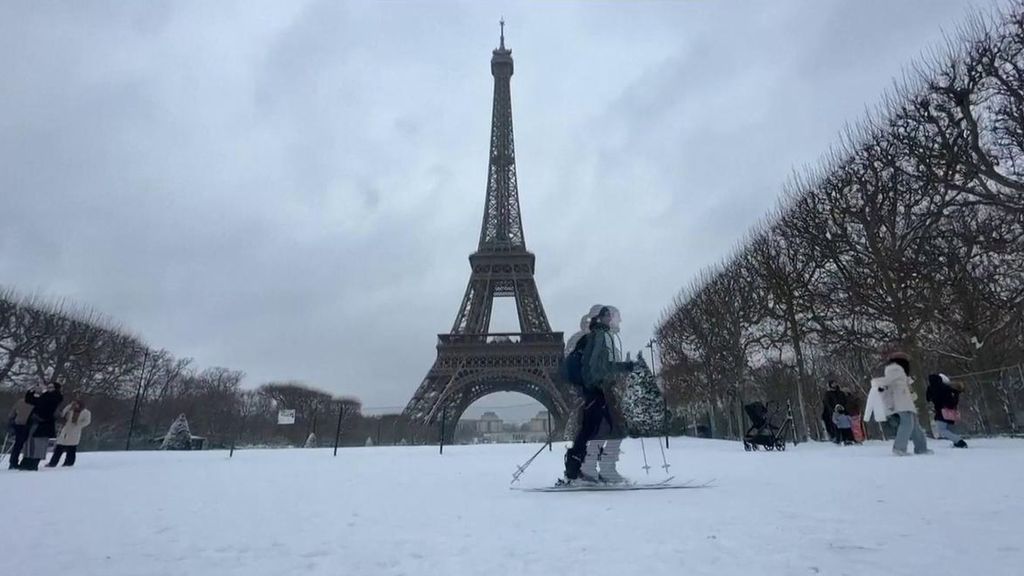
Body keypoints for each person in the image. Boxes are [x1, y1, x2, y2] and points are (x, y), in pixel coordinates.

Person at [561, 305, 634, 485]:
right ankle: (587, 470)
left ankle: (582, 469)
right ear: (605, 318)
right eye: (614, 316)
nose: (617, 320)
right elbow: (596, 366)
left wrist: (624, 367)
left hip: (594, 390)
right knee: (605, 428)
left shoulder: (596, 336)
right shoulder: (600, 337)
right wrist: (595, 385)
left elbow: (601, 365)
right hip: (596, 390)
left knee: (595, 429)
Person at [877, 353, 930, 456]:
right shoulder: (895, 369)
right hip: (901, 402)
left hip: (904, 402)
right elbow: (887, 382)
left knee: (915, 427)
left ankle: (921, 448)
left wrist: (909, 380)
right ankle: (899, 448)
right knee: (907, 424)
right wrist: (880, 385)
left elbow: (898, 382)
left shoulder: (899, 371)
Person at [19, 382, 64, 471]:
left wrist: (41, 392)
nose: (49, 389)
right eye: (48, 387)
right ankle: (26, 461)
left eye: (51, 387)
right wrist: (31, 391)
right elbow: (30, 400)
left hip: (44, 425)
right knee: (29, 443)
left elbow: (47, 402)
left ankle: (33, 463)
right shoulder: (45, 396)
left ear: (56, 389)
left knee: (39, 445)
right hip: (34, 422)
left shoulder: (57, 396)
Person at [926, 373, 967, 448]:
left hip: (940, 412)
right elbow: (954, 398)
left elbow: (928, 399)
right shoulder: (945, 387)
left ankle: (959, 442)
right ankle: (957, 441)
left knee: (942, 430)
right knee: (946, 429)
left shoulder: (931, 388)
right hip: (948, 411)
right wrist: (957, 394)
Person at [48, 399, 91, 467]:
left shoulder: (86, 412)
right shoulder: (70, 410)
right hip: (66, 430)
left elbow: (87, 421)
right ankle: (53, 463)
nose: (75, 405)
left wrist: (79, 424)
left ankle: (69, 463)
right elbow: (63, 414)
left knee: (71, 448)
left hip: (75, 431)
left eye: (77, 404)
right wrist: (68, 407)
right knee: (59, 448)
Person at [6, 397, 33, 470]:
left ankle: (13, 462)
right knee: (26, 444)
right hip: (28, 425)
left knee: (17, 444)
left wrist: (11, 421)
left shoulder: (20, 401)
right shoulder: (36, 402)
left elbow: (12, 413)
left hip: (18, 424)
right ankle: (25, 461)